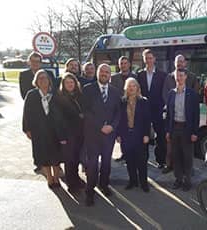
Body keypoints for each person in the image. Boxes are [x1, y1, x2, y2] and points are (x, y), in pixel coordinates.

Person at [83, 63, 121, 206]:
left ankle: (104, 185)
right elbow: (85, 111)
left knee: (106, 162)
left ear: (110, 75)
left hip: (109, 135)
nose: (104, 74)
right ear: (97, 73)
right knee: (92, 164)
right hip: (93, 134)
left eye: (107, 72)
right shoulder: (87, 90)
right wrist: (100, 126)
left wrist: (112, 126)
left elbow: (118, 112)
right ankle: (90, 191)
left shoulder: (115, 91)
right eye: (102, 71)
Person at [22, 70, 66, 188]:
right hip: (39, 131)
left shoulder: (55, 94)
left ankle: (56, 177)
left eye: (45, 78)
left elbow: (62, 113)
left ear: (49, 80)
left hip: (54, 131)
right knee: (43, 155)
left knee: (56, 155)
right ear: (36, 81)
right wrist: (27, 129)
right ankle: (49, 178)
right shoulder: (31, 95)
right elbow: (26, 113)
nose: (43, 80)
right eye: (40, 78)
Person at [162, 54, 200, 174]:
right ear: (174, 63)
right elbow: (165, 94)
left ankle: (187, 175)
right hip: (174, 121)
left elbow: (195, 108)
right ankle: (174, 172)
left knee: (187, 153)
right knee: (174, 152)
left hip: (186, 124)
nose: (179, 64)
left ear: (185, 63)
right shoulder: (169, 77)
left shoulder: (192, 77)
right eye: (177, 62)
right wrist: (170, 105)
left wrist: (194, 131)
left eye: (181, 61)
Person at [165, 69, 200, 191]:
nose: (179, 78)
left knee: (187, 156)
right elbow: (168, 114)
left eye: (181, 76)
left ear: (185, 77)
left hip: (187, 129)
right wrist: (168, 131)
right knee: (176, 155)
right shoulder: (171, 94)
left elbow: (196, 115)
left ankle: (188, 180)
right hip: (174, 128)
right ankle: (178, 179)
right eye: (176, 76)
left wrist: (195, 132)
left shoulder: (192, 94)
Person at [117, 78, 151, 192]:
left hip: (140, 135)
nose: (131, 88)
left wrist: (146, 134)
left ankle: (144, 183)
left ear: (137, 88)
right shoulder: (122, 102)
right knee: (129, 160)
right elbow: (119, 120)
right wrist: (118, 134)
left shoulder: (144, 101)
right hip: (126, 135)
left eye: (134, 86)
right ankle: (132, 181)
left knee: (141, 161)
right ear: (126, 88)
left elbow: (147, 120)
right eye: (129, 86)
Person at [136, 49, 167, 169]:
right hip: (144, 110)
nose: (148, 60)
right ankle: (143, 159)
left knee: (160, 136)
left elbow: (164, 92)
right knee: (143, 135)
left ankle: (160, 160)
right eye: (146, 58)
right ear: (144, 60)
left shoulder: (162, 75)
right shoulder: (139, 74)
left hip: (157, 109)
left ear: (154, 59)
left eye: (150, 58)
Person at [56, 72, 85, 193]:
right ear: (63, 84)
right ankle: (71, 183)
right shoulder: (60, 98)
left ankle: (76, 178)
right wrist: (61, 136)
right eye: (67, 82)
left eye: (72, 82)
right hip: (67, 134)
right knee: (69, 160)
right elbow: (58, 119)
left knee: (77, 158)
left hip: (80, 133)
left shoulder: (79, 95)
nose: (69, 84)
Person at [111, 56, 137, 162]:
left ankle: (133, 153)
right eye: (121, 63)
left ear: (129, 65)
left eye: (125, 63)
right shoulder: (114, 77)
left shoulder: (135, 76)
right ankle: (124, 153)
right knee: (122, 130)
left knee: (132, 130)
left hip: (132, 106)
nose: (123, 65)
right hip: (119, 107)